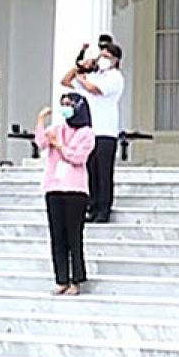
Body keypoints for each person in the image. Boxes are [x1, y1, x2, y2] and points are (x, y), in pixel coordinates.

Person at [36, 92, 96, 296]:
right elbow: (41, 142)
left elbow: (78, 157)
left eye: (69, 104)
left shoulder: (86, 133)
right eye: (63, 105)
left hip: (75, 189)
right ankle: (61, 278)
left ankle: (77, 279)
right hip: (54, 186)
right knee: (57, 235)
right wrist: (41, 120)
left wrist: (60, 146)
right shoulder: (57, 128)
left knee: (73, 235)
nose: (65, 108)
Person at [61, 42, 124, 223]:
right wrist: (80, 67)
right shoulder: (94, 76)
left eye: (106, 56)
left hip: (106, 131)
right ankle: (93, 206)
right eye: (100, 56)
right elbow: (66, 81)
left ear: (115, 59)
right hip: (90, 131)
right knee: (91, 171)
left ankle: (104, 209)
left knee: (104, 172)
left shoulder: (114, 77)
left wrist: (82, 77)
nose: (101, 60)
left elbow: (94, 90)